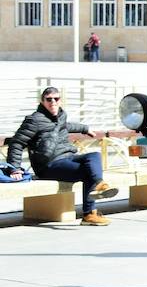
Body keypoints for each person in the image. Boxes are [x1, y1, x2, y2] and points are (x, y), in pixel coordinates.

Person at [6, 87, 119, 225]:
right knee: (88, 171)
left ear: (60, 101)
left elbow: (66, 126)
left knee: (94, 155)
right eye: (49, 99)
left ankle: (99, 186)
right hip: (48, 165)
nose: (53, 102)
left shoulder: (60, 117)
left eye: (56, 99)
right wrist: (14, 168)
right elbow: (17, 142)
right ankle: (90, 213)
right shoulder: (34, 120)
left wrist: (85, 128)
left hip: (66, 157)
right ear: (42, 102)